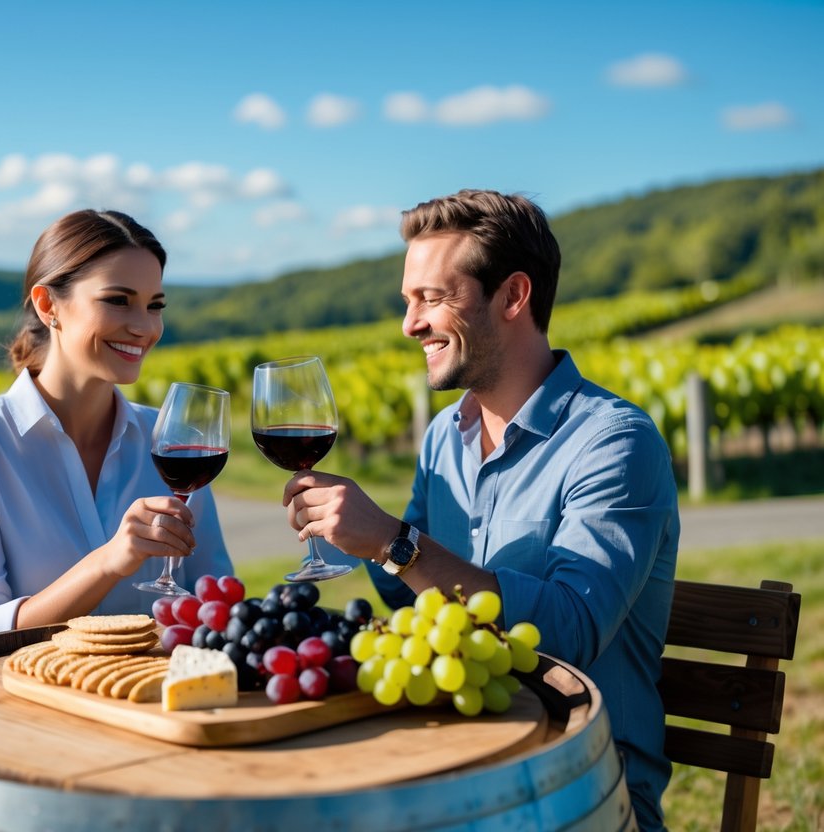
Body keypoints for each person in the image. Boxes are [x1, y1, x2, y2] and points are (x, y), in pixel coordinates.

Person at [282, 190, 679, 830]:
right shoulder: (446, 435)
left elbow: (571, 631)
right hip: (458, 766)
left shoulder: (615, 443)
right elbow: (409, 597)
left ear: (513, 296)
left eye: (432, 299)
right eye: (408, 301)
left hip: (581, 787)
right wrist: (359, 535)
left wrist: (394, 541)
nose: (410, 325)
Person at [0, 209, 233, 638]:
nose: (143, 327)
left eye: (154, 305)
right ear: (48, 304)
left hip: (151, 698)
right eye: (118, 300)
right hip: (28, 699)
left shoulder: (170, 440)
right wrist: (107, 563)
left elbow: (214, 600)